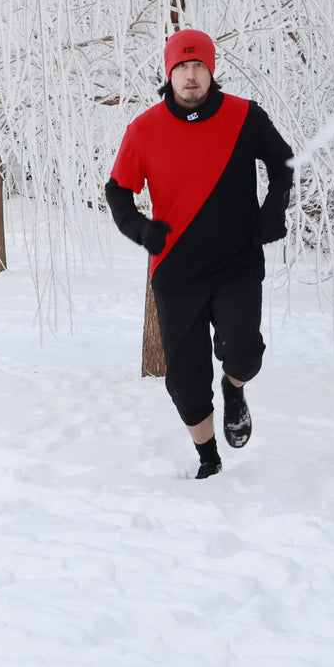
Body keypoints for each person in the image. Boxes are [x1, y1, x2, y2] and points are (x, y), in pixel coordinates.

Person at [105, 29, 294, 479]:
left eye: (198, 66)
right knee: (186, 384)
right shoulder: (144, 129)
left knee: (245, 353)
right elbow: (117, 192)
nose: (190, 76)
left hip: (237, 262)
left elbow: (283, 161)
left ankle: (235, 388)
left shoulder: (245, 117)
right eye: (181, 67)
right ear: (168, 74)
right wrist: (140, 229)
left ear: (211, 71)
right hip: (175, 270)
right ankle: (209, 459)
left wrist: (271, 214)